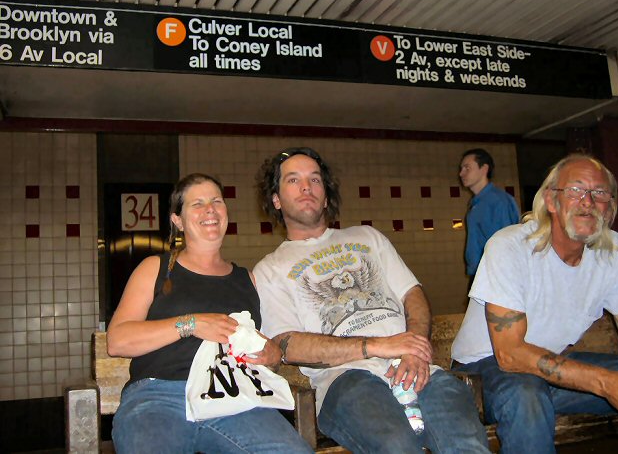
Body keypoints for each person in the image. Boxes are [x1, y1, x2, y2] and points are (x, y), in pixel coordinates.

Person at [253, 147, 489, 454]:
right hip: (347, 381)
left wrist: (415, 347)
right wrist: (377, 345)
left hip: (417, 368)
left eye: (315, 179)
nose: (306, 187)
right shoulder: (269, 268)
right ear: (276, 199)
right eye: (293, 180)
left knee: (467, 443)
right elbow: (287, 344)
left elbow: (412, 293)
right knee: (397, 446)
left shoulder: (368, 237)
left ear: (326, 197)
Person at [452, 154, 618, 454]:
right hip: (481, 371)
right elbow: (511, 355)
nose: (588, 201)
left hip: (549, 370)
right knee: (527, 395)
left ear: (610, 205)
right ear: (552, 200)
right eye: (576, 190)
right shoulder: (509, 246)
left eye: (600, 192)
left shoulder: (616, 251)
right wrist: (606, 383)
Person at [107, 173, 313, 454]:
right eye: (197, 204)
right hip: (158, 397)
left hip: (234, 397)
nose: (210, 210)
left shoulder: (247, 279)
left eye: (217, 201)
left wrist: (272, 355)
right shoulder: (155, 268)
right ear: (177, 220)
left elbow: (264, 347)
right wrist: (190, 323)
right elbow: (117, 341)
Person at [459, 148, 519, 279]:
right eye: (461, 168)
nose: (461, 173)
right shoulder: (476, 203)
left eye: (467, 168)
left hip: (497, 275)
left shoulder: (498, 201)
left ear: (484, 169)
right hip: (481, 274)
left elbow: (508, 244)